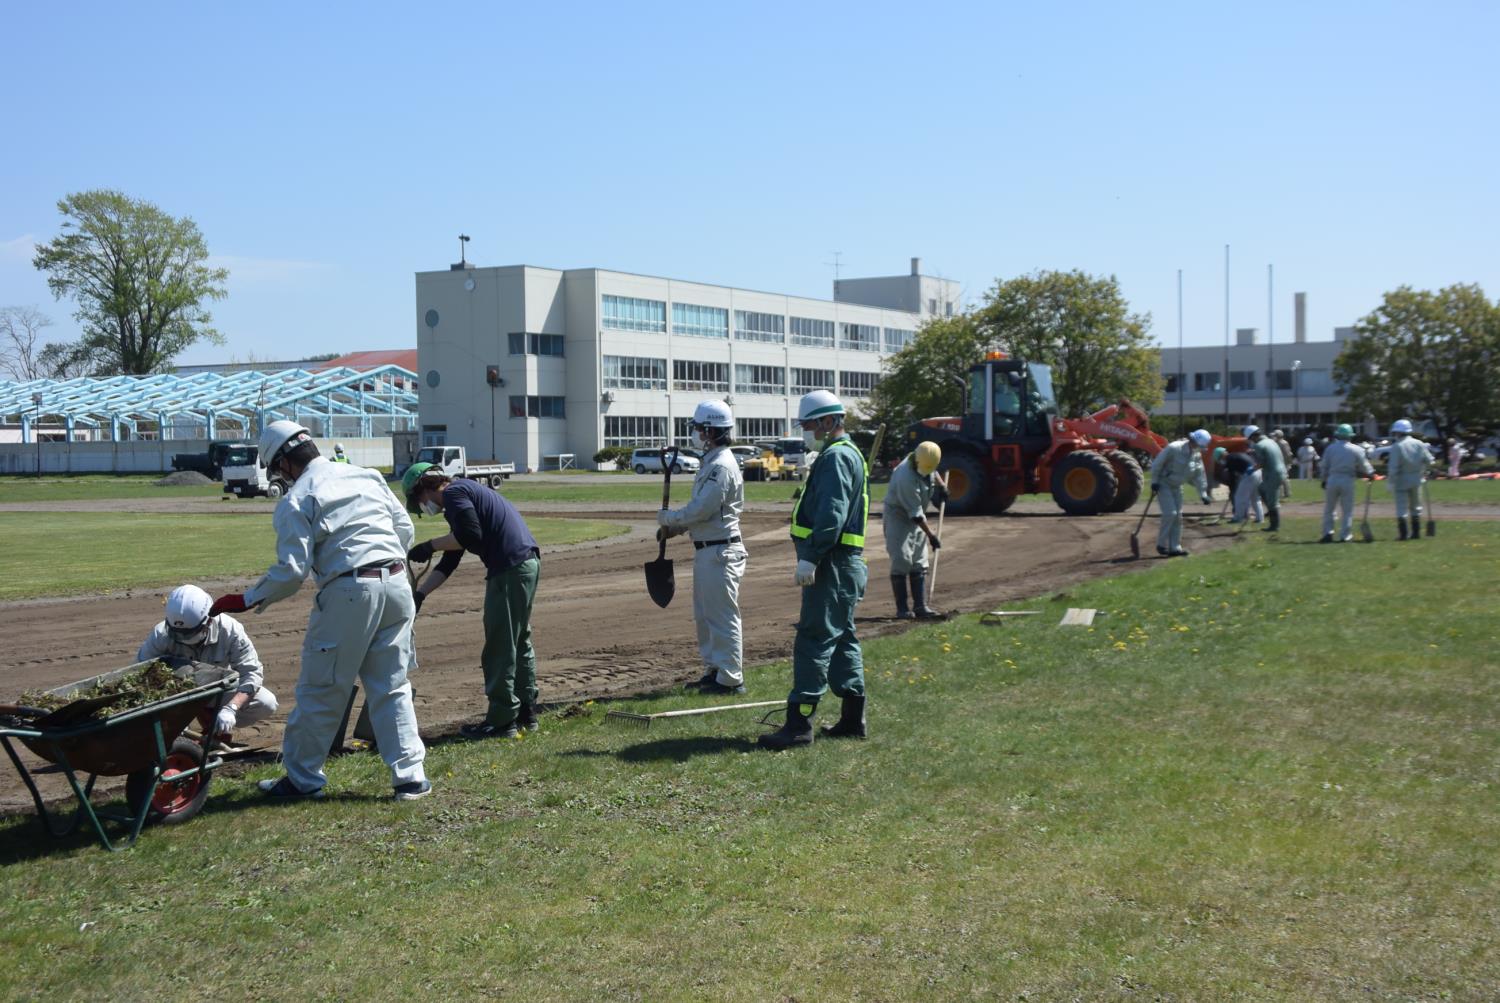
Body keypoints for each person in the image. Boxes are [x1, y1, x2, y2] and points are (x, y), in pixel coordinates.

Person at [209, 420, 428, 801]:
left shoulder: (297, 499)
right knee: (391, 685)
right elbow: (404, 530)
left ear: (285, 464)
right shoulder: (366, 475)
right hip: (396, 583)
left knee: (321, 689)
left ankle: (302, 779)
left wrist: (246, 599)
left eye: (278, 470)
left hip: (348, 592)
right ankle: (410, 780)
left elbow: (292, 572)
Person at [760, 390, 868, 749]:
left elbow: (831, 515)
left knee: (814, 638)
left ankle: (798, 725)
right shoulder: (845, 454)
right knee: (843, 639)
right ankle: (853, 718)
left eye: (808, 424)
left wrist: (812, 557)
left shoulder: (836, 458)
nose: (806, 430)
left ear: (826, 421)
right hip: (844, 565)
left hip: (831, 564)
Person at [403, 461, 542, 737]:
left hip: (509, 568)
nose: (422, 508)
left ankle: (502, 721)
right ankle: (527, 710)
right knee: (518, 639)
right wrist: (420, 594)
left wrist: (429, 545)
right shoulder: (464, 493)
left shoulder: (454, 494)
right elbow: (450, 561)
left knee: (500, 646)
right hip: (526, 564)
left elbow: (469, 535)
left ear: (424, 488)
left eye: (418, 501)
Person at [657, 400, 747, 696]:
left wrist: (670, 519)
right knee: (706, 615)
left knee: (721, 616)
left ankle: (731, 678)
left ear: (709, 430)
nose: (694, 433)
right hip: (708, 549)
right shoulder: (712, 461)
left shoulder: (721, 465)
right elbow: (703, 513)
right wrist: (676, 529)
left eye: (697, 428)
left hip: (721, 552)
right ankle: (714, 670)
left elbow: (702, 509)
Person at [139, 584, 278, 743]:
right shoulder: (161, 634)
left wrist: (230, 709)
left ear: (209, 620)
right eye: (178, 633)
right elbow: (141, 674)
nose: (183, 638)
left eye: (189, 633)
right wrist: (168, 718)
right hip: (176, 696)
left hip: (216, 691)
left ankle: (213, 724)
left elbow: (252, 673)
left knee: (266, 703)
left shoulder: (230, 630)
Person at [882, 441, 944, 619]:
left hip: (917, 515)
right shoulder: (905, 476)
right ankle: (902, 609)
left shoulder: (925, 461)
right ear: (916, 461)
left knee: (919, 559)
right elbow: (916, 515)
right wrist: (931, 536)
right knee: (902, 558)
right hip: (898, 516)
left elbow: (934, 471)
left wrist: (942, 486)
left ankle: (921, 606)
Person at [1148, 429, 1213, 557]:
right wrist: (1154, 481)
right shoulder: (1173, 448)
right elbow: (1157, 464)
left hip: (1177, 487)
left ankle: (1175, 548)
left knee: (1178, 517)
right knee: (1170, 513)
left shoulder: (1196, 454)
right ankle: (1161, 544)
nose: (1198, 447)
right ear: (1192, 440)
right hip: (1164, 484)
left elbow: (1199, 475)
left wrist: (1203, 494)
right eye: (1197, 444)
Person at [1319, 424, 1376, 543]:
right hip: (1347, 480)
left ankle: (1328, 533)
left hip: (1332, 479)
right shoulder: (1357, 449)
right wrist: (1371, 474)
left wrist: (1324, 480)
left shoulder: (1330, 448)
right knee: (1347, 510)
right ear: (1350, 436)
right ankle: (1345, 535)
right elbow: (1364, 465)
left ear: (1338, 435)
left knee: (1329, 508)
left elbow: (1324, 466)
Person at [1386, 418, 1432, 541]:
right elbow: (1429, 460)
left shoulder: (1397, 446)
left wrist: (1390, 483)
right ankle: (1416, 533)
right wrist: (1425, 470)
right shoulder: (1419, 443)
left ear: (1398, 432)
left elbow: (1393, 468)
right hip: (1417, 479)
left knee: (1402, 507)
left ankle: (1403, 534)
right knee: (1416, 507)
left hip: (1401, 480)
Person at [1246, 425, 1287, 532]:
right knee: (1261, 489)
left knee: (1272, 499)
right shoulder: (1271, 441)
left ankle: (1274, 525)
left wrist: (1251, 469)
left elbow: (1261, 463)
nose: (1251, 441)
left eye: (1250, 439)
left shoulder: (1258, 445)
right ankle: (1270, 510)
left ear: (1253, 437)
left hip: (1272, 474)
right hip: (1282, 471)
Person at [1272, 430, 1295, 497]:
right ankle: (1282, 494)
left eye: (1275, 435)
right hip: (1278, 463)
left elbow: (1288, 454)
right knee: (1280, 479)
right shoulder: (1275, 443)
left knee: (1284, 479)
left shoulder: (1283, 443)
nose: (1274, 437)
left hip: (1284, 463)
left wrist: (1289, 463)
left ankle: (1287, 493)